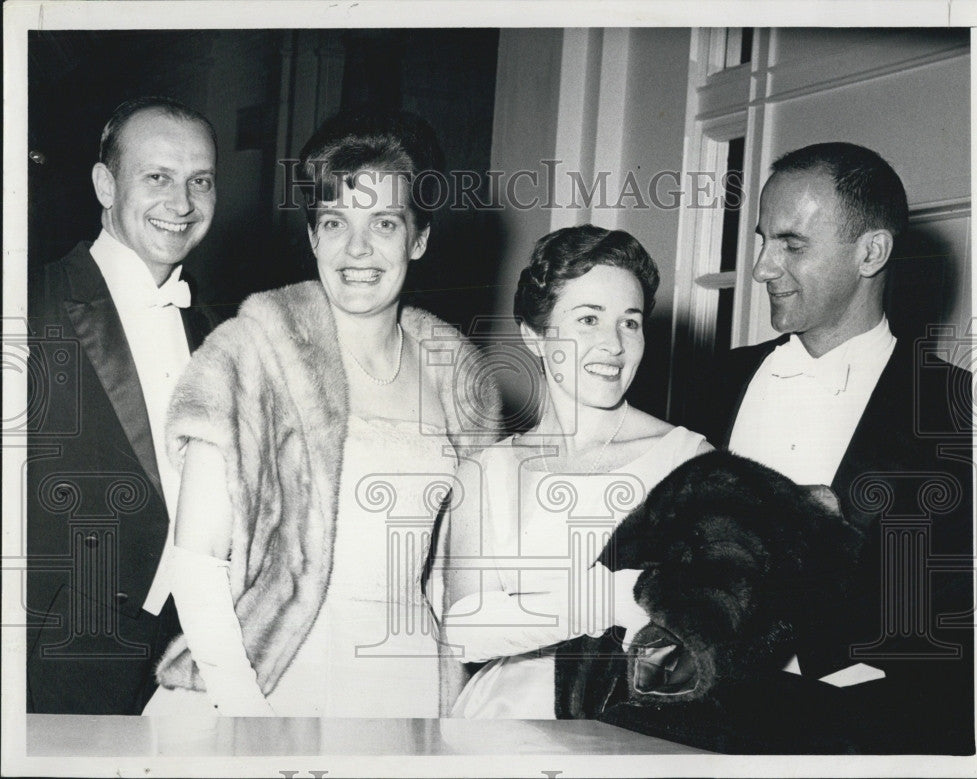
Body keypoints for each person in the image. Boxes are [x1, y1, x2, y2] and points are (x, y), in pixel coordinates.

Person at [142, 109, 501, 717]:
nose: (356, 248)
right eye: (335, 222)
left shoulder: (459, 381)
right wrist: (245, 719)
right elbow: (197, 568)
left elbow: (455, 580)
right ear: (313, 237)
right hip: (272, 680)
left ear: (419, 238)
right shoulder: (250, 354)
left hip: (410, 683)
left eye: (384, 222)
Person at [682, 142, 974, 753]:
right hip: (691, 723)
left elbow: (964, 625)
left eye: (791, 245)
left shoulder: (957, 411)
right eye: (763, 240)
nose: (762, 267)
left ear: (871, 252)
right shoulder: (710, 384)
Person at [438, 225, 713, 718]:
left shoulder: (688, 460)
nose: (613, 344)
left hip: (639, 727)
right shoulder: (487, 472)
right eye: (589, 319)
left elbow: (708, 628)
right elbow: (464, 633)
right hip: (502, 729)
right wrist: (613, 597)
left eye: (630, 322)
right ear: (534, 335)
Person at [26, 96, 219, 714]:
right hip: (47, 656)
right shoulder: (28, 304)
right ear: (105, 184)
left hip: (183, 660)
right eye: (157, 177)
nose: (181, 202)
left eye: (201, 181)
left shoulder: (223, 334)